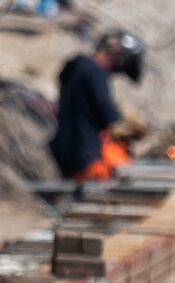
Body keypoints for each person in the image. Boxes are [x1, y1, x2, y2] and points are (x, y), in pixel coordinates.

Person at [48, 31, 147, 183]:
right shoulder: (96, 73)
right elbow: (108, 117)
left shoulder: (77, 68)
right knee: (123, 168)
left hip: (63, 151)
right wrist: (125, 122)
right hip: (86, 157)